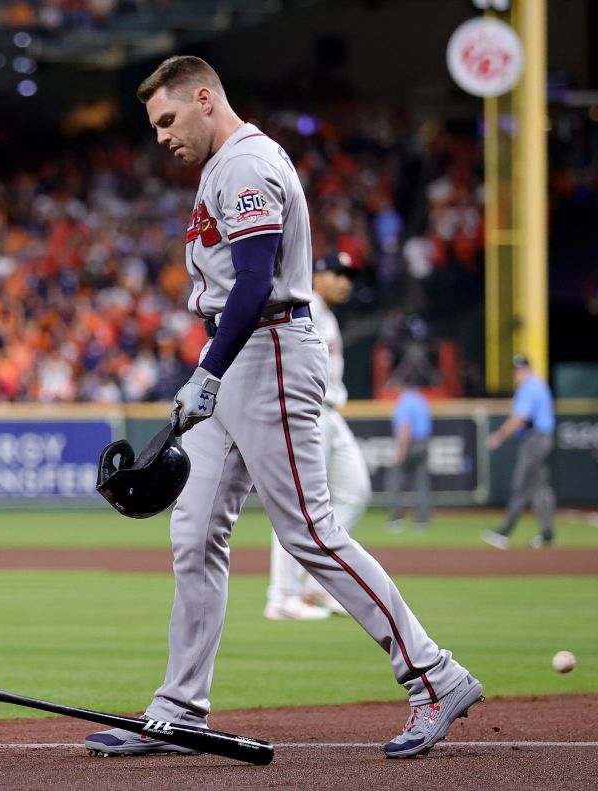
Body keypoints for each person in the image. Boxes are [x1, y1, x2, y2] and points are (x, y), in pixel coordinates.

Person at [84, 55, 482, 760]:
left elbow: (254, 281)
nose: (162, 137)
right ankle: (179, 709)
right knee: (195, 528)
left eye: (168, 119)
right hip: (237, 356)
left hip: (266, 351)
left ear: (205, 99)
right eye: (154, 126)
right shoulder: (218, 169)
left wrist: (207, 370)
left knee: (310, 531)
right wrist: (212, 371)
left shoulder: (244, 164)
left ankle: (434, 673)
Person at [265, 251, 372, 620]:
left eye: (349, 275)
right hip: (306, 412)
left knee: (355, 493)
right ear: (316, 275)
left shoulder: (326, 314)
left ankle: (315, 586)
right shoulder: (301, 306)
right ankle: (281, 596)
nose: (345, 282)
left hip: (332, 413)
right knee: (298, 508)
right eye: (336, 273)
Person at [482, 355, 556, 549]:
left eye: (519, 369)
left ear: (527, 369)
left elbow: (520, 418)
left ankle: (504, 532)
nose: (516, 373)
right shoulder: (538, 385)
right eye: (515, 370)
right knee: (540, 487)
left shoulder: (530, 388)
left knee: (521, 485)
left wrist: (499, 436)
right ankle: (548, 533)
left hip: (535, 440)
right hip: (542, 439)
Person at [387, 381, 432, 532]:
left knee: (395, 481)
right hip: (423, 443)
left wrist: (401, 451)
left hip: (410, 443)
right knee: (421, 483)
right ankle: (422, 521)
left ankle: (396, 519)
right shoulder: (422, 400)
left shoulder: (404, 401)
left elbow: (404, 427)